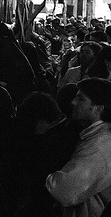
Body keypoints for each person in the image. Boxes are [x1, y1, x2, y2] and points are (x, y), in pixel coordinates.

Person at [46, 78, 111, 217]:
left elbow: (64, 191)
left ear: (98, 108)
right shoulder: (93, 135)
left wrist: (48, 179)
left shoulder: (99, 146)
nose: (73, 102)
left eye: (80, 99)